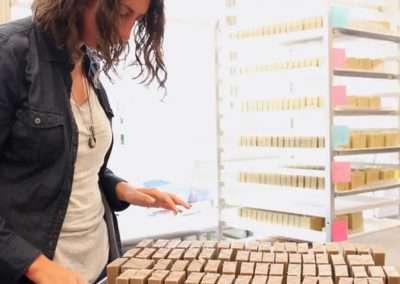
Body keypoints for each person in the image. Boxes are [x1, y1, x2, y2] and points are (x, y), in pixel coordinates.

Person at [0, 0, 191, 283]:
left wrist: (123, 190)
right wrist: (37, 266)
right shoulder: (10, 53)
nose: (126, 34)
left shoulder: (87, 61)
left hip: (99, 268)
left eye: (137, 20)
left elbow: (73, 167)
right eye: (123, 13)